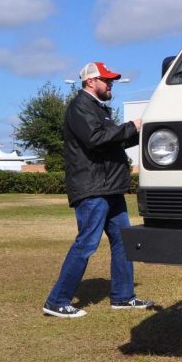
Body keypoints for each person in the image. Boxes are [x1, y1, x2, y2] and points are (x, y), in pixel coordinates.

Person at [43, 62, 154, 318]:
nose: (110, 83)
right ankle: (56, 301)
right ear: (90, 82)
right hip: (93, 189)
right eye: (106, 80)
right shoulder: (80, 107)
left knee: (122, 242)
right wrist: (131, 126)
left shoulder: (97, 109)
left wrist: (142, 130)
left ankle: (123, 297)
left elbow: (112, 141)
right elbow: (96, 139)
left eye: (111, 80)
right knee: (86, 244)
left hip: (110, 188)